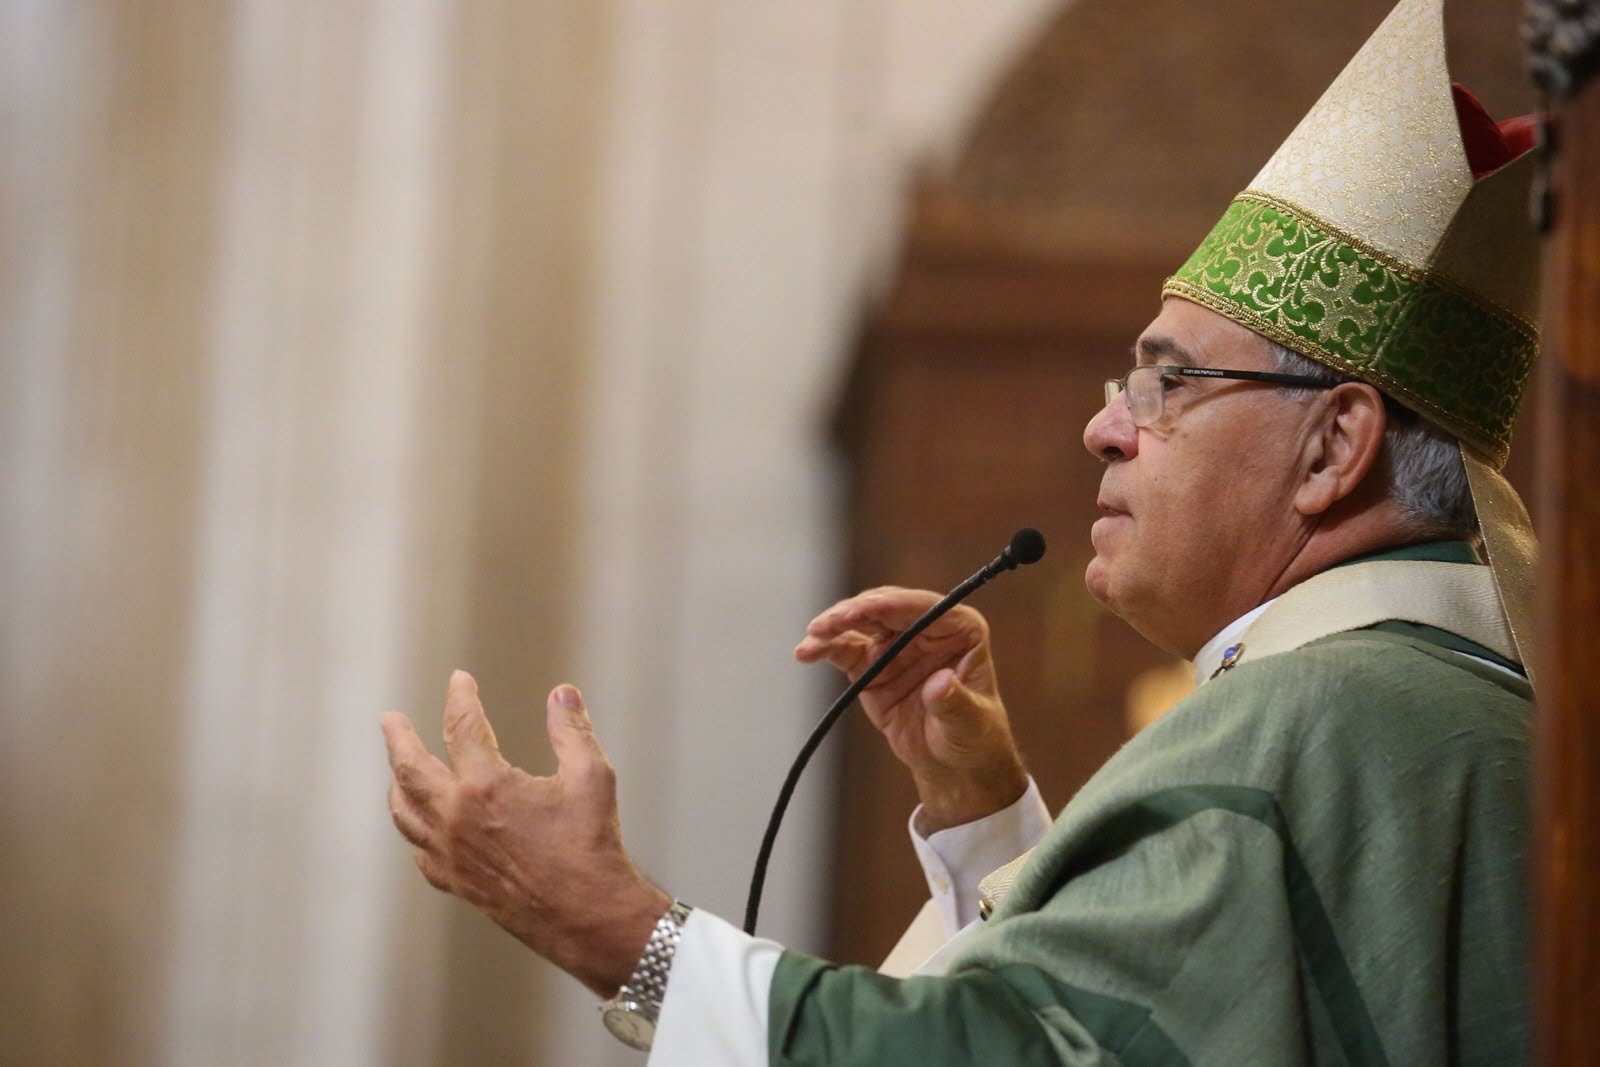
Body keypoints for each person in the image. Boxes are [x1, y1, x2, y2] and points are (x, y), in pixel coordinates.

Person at [380, 0, 1541, 1061]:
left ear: (1336, 446)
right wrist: (992, 828)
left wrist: (609, 923)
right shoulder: (1438, 709)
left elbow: (1002, 1054)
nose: (1102, 429)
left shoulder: (1312, 716)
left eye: (1167, 383)